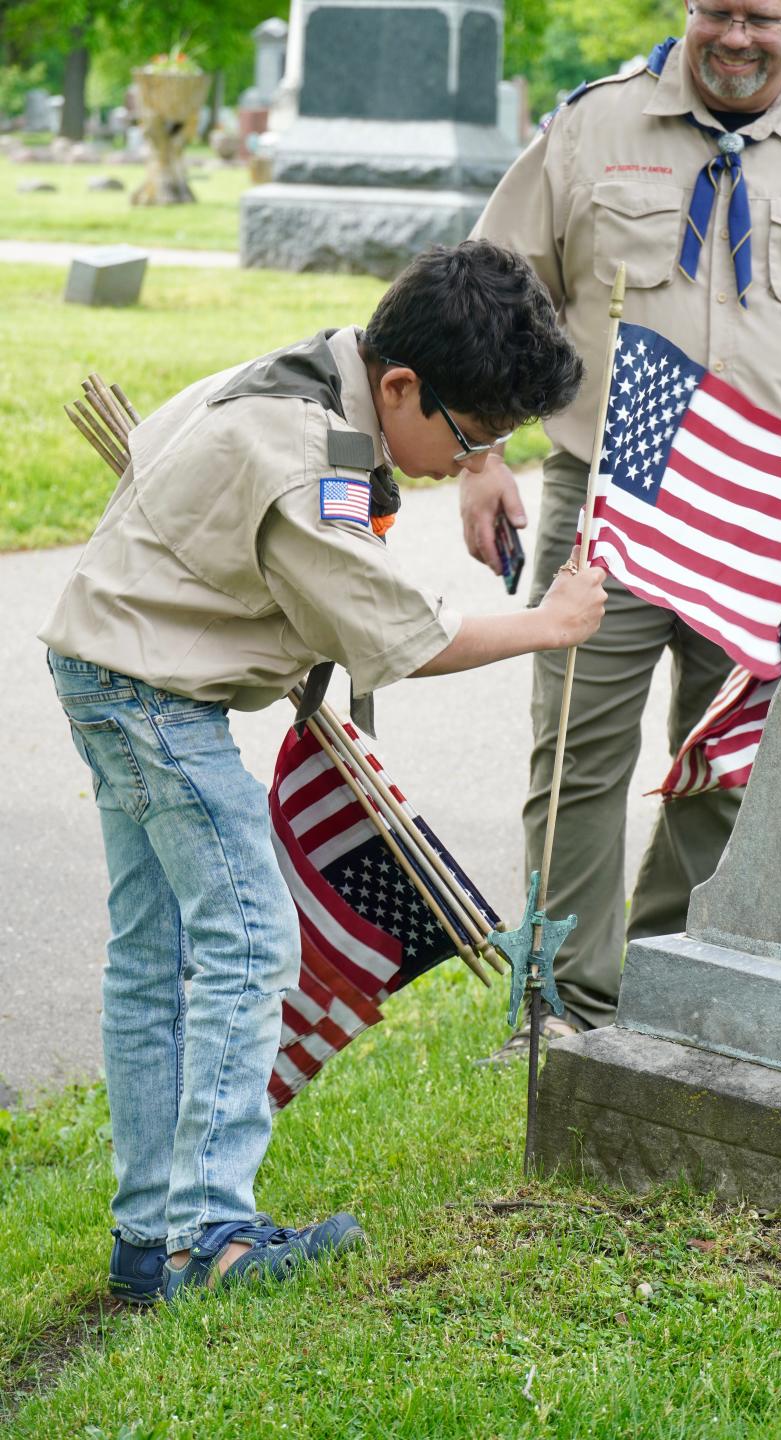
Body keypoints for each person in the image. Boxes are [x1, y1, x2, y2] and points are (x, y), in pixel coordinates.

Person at [40, 240, 607, 1304]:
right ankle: (211, 1235)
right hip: (155, 697)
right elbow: (402, 633)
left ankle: (149, 1232)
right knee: (255, 939)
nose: (467, 461)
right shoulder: (313, 455)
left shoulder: (303, 370)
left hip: (105, 665)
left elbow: (171, 465)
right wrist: (548, 623)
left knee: (157, 954)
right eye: (474, 437)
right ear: (402, 387)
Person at [464, 1, 781, 1061]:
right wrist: (480, 456)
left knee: (732, 762)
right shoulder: (596, 127)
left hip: (767, 505)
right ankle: (562, 1012)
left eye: (763, 18)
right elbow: (494, 294)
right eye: (719, 12)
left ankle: (664, 985)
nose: (738, 38)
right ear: (688, 7)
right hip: (612, 489)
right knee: (576, 759)